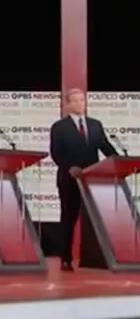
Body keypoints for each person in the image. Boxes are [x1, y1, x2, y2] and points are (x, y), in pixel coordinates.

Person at [49, 88, 117, 271]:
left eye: (82, 100)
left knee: (95, 218)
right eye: (76, 100)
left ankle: (97, 258)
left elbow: (105, 147)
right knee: (68, 218)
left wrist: (118, 160)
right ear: (67, 104)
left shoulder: (95, 125)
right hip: (69, 179)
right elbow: (56, 153)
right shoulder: (59, 127)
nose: (80, 104)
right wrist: (70, 167)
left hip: (92, 180)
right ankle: (65, 258)